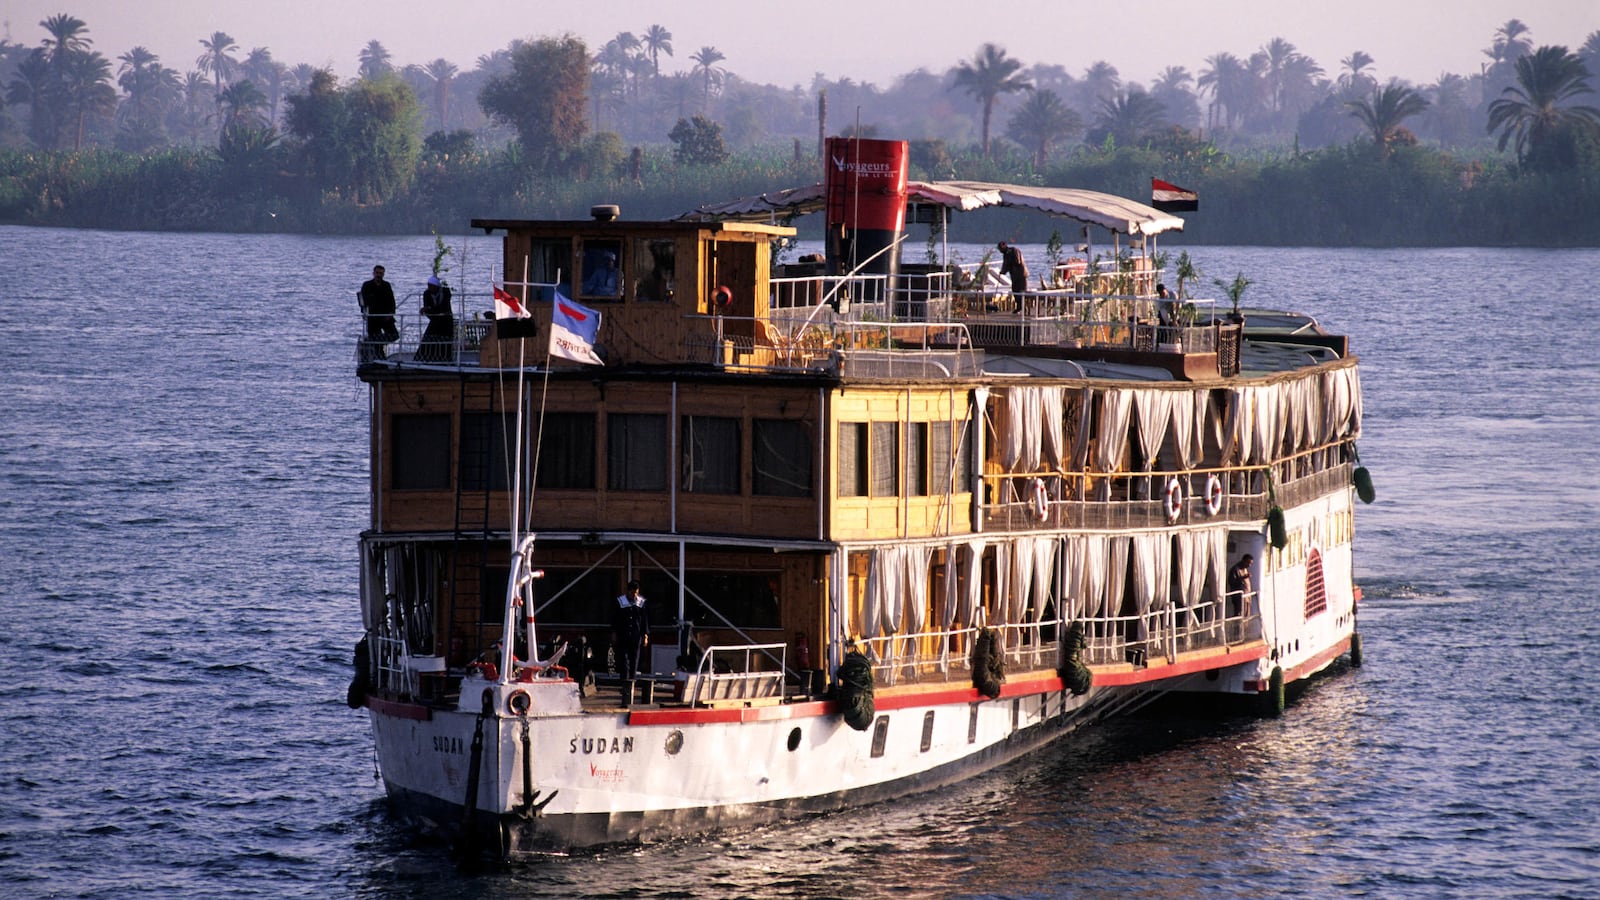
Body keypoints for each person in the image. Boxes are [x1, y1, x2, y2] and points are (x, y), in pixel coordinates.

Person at [612, 580, 649, 688]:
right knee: (623, 659)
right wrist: (614, 632)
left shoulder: (641, 603)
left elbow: (644, 620)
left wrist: (645, 635)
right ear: (628, 591)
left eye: (636, 593)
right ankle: (624, 682)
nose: (634, 595)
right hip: (623, 634)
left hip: (636, 635)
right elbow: (615, 618)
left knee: (634, 659)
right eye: (633, 593)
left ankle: (632, 682)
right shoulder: (620, 602)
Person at [358, 265, 398, 360]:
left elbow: (392, 301)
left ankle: (374, 342)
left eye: (381, 273)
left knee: (394, 335)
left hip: (386, 316)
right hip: (373, 317)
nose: (379, 275)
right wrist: (364, 313)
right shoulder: (367, 285)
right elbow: (363, 302)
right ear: (373, 273)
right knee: (375, 340)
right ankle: (380, 361)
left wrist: (391, 313)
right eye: (377, 273)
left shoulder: (386, 285)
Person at [415, 275, 455, 363]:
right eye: (428, 285)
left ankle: (445, 360)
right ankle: (424, 359)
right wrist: (430, 310)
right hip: (435, 320)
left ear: (437, 286)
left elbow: (444, 306)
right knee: (429, 340)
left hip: (446, 321)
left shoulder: (445, 291)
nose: (430, 288)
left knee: (445, 342)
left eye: (431, 286)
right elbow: (428, 309)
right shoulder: (426, 293)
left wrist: (429, 309)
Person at [997, 241, 1028, 312]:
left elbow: (1017, 261)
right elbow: (1005, 265)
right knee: (1015, 291)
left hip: (1021, 275)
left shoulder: (1014, 250)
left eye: (1001, 249)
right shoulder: (1005, 255)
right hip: (1014, 276)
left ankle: (1023, 307)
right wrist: (1002, 271)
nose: (1000, 251)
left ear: (1004, 246)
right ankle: (1019, 306)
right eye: (999, 249)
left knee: (1021, 291)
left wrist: (1007, 266)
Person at [1227, 553, 1254, 617]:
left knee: (1246, 615)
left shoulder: (1245, 569)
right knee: (1239, 614)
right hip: (1239, 597)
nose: (1249, 565)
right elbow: (1231, 581)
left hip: (1246, 596)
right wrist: (1243, 577)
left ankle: (1245, 626)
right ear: (1243, 560)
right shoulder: (1235, 569)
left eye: (1250, 564)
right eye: (1248, 563)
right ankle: (1238, 627)